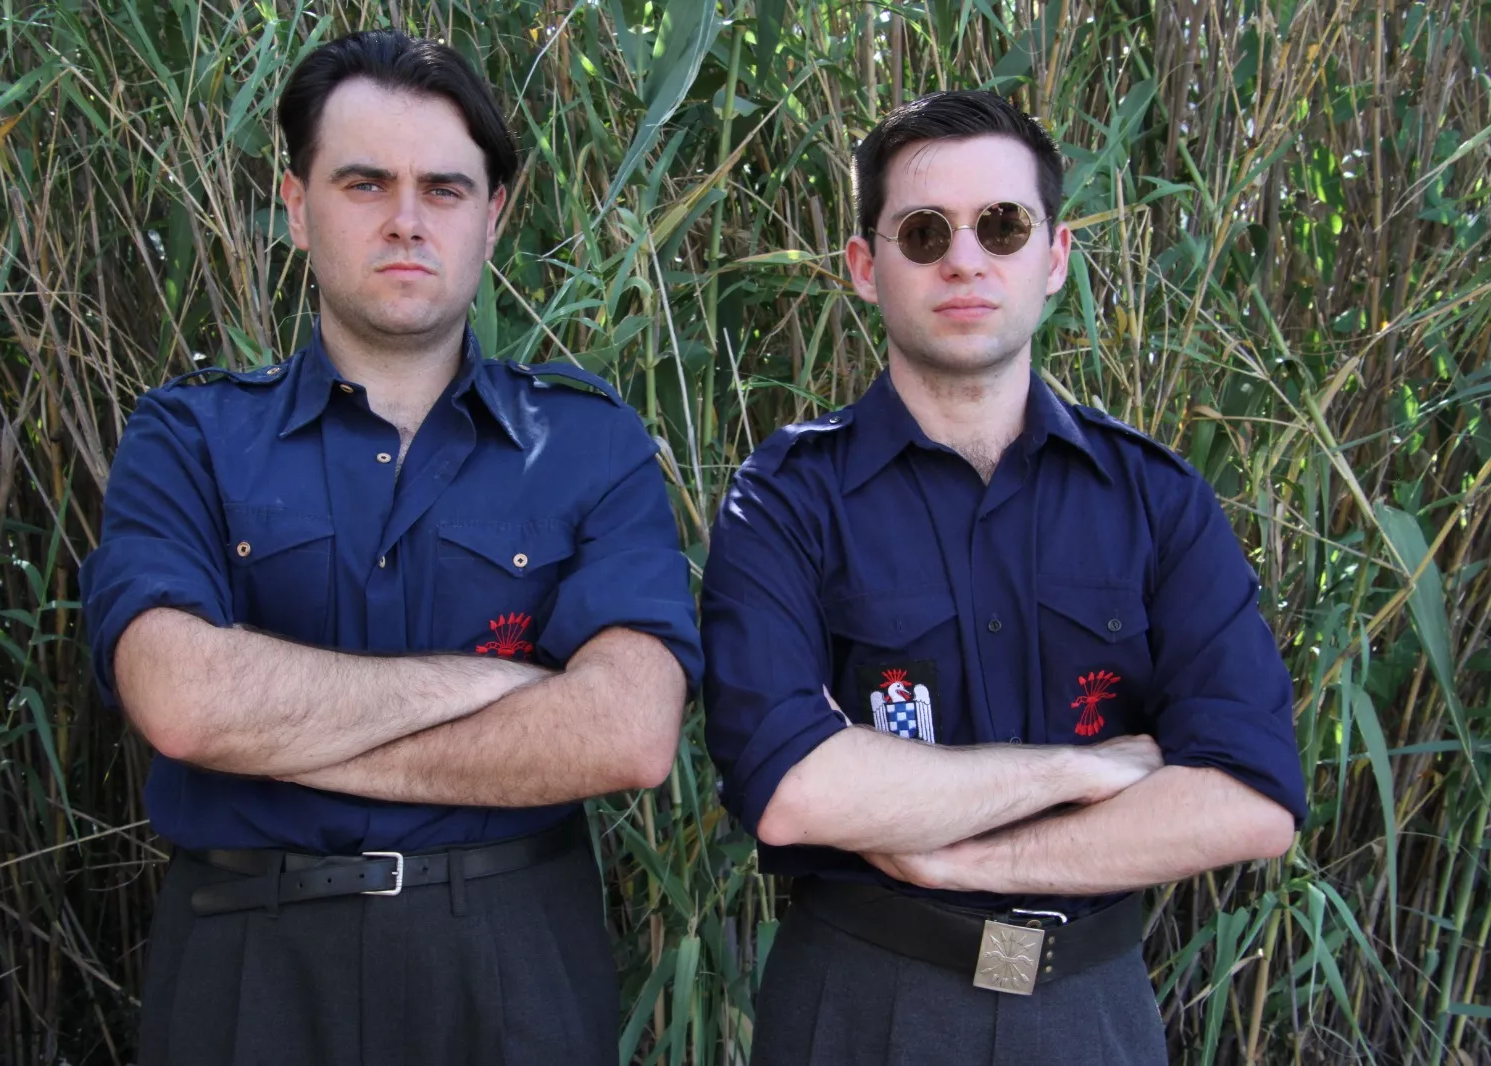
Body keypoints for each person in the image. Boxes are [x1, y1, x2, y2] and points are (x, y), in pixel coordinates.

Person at [80, 30, 701, 1066]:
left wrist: (282, 733)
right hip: (250, 964)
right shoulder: (189, 436)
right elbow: (182, 699)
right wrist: (499, 687)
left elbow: (628, 732)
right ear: (295, 204)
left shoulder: (587, 441)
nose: (407, 221)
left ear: (493, 215)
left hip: (511, 961)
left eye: (445, 190)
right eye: (364, 183)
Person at [700, 90, 1306, 1064]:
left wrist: (964, 852)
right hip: (860, 1006)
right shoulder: (787, 500)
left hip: (1090, 1011)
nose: (965, 257)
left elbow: (1249, 796)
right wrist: (1086, 767)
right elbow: (795, 787)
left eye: (1003, 224)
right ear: (865, 266)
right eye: (924, 230)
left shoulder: (1153, 498)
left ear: (1054, 256)